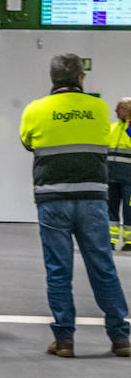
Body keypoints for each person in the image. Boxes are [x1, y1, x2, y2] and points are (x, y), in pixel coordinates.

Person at [19, 54, 130, 358]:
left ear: (53, 79)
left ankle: (65, 340)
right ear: (81, 78)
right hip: (93, 200)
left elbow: (28, 142)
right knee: (103, 267)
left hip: (52, 200)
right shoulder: (98, 108)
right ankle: (121, 337)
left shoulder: (35, 109)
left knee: (58, 270)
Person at [108, 98, 131, 250]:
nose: (116, 111)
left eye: (119, 108)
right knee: (110, 208)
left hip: (130, 179)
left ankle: (129, 241)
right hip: (111, 177)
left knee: (130, 210)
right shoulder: (111, 128)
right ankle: (111, 239)